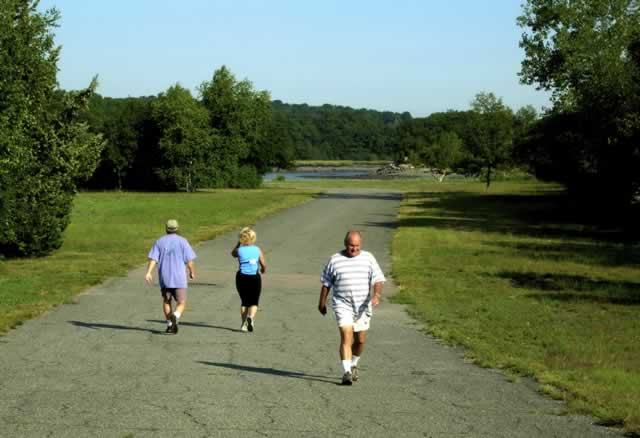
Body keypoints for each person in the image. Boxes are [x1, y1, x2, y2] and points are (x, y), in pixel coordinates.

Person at [318, 230, 385, 385]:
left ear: (361, 245)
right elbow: (326, 283)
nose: (354, 249)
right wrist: (321, 302)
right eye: (351, 246)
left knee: (360, 341)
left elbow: (378, 279)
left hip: (362, 306)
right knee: (346, 337)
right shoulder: (335, 260)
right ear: (345, 244)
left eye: (357, 246)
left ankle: (354, 363)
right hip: (343, 304)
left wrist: (377, 295)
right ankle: (347, 372)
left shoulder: (368, 258)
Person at [145, 219, 196, 334]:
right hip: (179, 278)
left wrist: (148, 272)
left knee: (167, 301)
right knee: (181, 302)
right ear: (177, 229)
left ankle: (169, 325)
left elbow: (153, 258)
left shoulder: (159, 241)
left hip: (165, 277)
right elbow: (189, 260)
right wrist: (191, 271)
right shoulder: (183, 241)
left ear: (166, 229)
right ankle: (176, 315)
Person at [231, 227, 266, 333]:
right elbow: (263, 264)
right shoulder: (257, 249)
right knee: (254, 301)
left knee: (244, 302)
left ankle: (243, 324)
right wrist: (263, 269)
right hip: (254, 277)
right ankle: (250, 318)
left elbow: (233, 254)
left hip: (241, 277)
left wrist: (238, 244)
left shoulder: (239, 250)